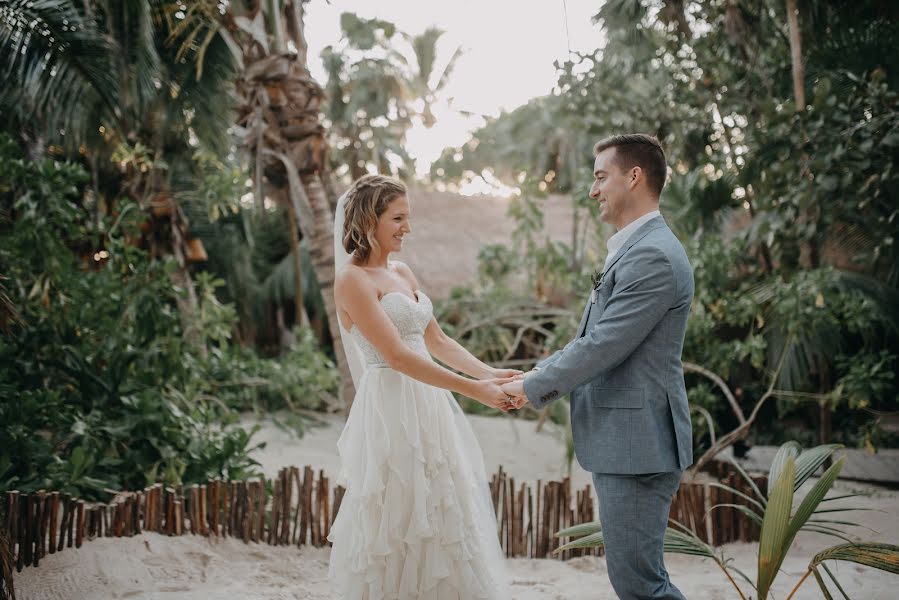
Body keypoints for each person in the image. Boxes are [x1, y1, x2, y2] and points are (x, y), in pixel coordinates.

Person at [503, 134, 694, 600]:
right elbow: (590, 340)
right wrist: (528, 376)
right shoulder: (635, 247)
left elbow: (602, 346)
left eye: (600, 177)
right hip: (630, 442)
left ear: (634, 177)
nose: (593, 190)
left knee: (640, 585)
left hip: (638, 445)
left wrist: (530, 387)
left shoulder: (652, 255)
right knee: (635, 580)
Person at [326, 174, 517, 599]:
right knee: (398, 513)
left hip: (430, 402)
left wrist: (492, 374)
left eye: (407, 218)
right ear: (367, 220)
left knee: (441, 505)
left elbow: (437, 342)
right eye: (397, 218)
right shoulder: (352, 280)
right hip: (391, 407)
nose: (407, 228)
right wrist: (476, 392)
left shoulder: (402, 271)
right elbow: (395, 355)